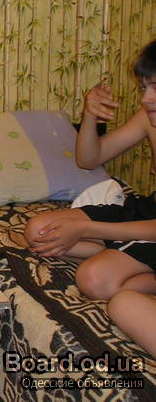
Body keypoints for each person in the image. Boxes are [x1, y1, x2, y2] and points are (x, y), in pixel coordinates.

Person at [24, 39, 156, 306]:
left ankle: (125, 263)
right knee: (38, 231)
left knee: (93, 279)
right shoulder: (147, 118)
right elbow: (88, 159)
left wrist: (84, 227)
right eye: (144, 87)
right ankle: (124, 255)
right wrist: (89, 116)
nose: (145, 98)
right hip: (148, 211)